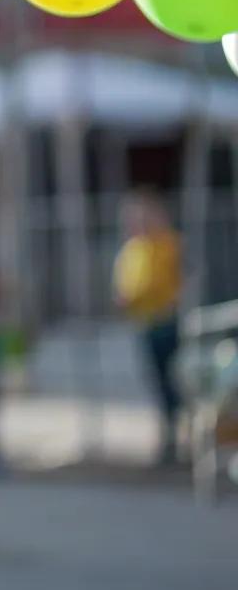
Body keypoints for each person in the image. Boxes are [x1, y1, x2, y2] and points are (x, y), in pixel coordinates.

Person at [113, 190, 183, 464]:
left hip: (166, 322)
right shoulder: (133, 250)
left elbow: (173, 281)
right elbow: (126, 284)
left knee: (172, 382)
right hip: (145, 322)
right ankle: (170, 435)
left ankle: (177, 435)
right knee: (159, 381)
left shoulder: (167, 245)